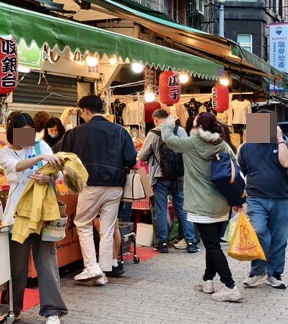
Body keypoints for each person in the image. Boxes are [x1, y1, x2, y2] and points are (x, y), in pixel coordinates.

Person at [160, 112, 244, 302]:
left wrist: (168, 124)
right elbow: (236, 170)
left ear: (197, 126)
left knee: (212, 247)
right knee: (211, 244)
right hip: (223, 204)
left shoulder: (190, 144)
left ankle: (230, 286)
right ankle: (208, 280)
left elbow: (168, 139)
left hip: (201, 205)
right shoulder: (222, 144)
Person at [0, 112, 67, 324]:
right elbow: (14, 168)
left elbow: (60, 172)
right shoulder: (3, 153)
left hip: (42, 213)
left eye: (30, 133)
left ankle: (53, 312)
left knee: (46, 262)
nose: (28, 137)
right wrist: (39, 160)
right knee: (16, 266)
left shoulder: (42, 146)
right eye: (22, 133)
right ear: (12, 133)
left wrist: (49, 177)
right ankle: (12, 309)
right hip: (17, 214)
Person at [59, 95, 136, 284]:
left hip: (90, 185)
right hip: (115, 186)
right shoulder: (120, 131)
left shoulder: (75, 132)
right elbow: (131, 159)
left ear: (85, 111)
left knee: (83, 224)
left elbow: (62, 156)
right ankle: (104, 268)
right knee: (108, 228)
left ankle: (92, 268)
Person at [237, 119, 288, 290]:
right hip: (255, 197)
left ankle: (274, 274)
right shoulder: (247, 147)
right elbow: (240, 173)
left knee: (279, 238)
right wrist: (237, 199)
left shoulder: (282, 142)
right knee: (259, 232)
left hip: (281, 197)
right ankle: (258, 271)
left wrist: (280, 138)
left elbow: (286, 162)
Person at [139, 109, 197, 254]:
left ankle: (163, 243)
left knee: (161, 209)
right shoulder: (181, 131)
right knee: (183, 209)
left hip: (160, 178)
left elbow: (142, 156)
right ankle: (190, 241)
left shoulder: (153, 133)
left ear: (155, 120)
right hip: (180, 177)